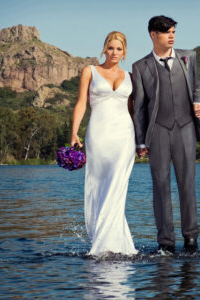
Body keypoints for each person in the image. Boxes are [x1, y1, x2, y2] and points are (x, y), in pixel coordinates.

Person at [132, 16, 200, 255]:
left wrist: (198, 102)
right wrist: (140, 140)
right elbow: (140, 107)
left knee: (187, 184)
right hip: (159, 131)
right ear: (153, 35)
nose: (172, 36)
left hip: (185, 127)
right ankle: (165, 241)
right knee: (160, 186)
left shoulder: (189, 57)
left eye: (173, 32)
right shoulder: (140, 67)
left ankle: (191, 238)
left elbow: (197, 86)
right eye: (166, 33)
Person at [71, 31, 137, 256]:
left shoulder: (130, 76)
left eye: (119, 49)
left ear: (124, 51)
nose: (115, 53)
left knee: (117, 187)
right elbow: (81, 104)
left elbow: (133, 110)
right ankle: (108, 242)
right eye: (111, 48)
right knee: (99, 187)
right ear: (104, 49)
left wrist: (142, 140)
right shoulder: (90, 71)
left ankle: (109, 245)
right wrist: (74, 133)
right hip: (98, 136)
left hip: (125, 138)